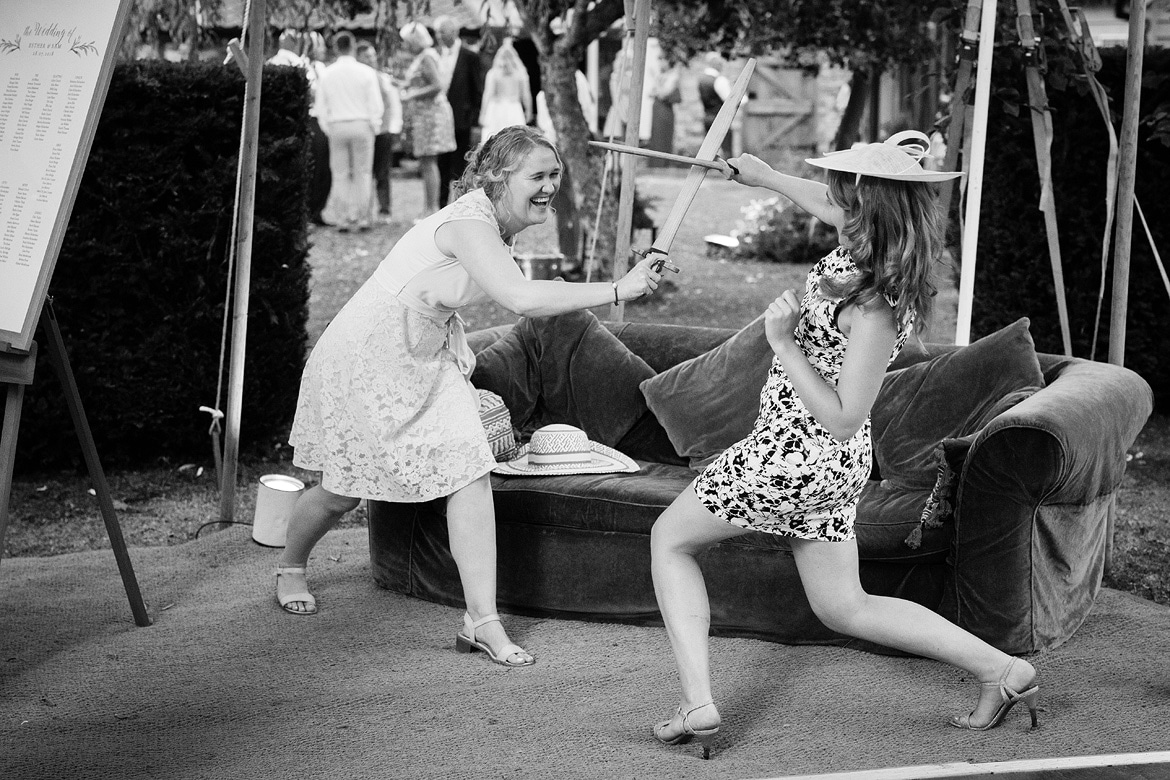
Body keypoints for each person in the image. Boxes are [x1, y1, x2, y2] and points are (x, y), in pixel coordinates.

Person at [648, 131, 1040, 758]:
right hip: (821, 465)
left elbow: (844, 415)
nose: (830, 190)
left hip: (798, 452)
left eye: (843, 180)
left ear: (867, 199)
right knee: (845, 607)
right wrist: (762, 176)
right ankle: (1003, 670)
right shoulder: (864, 244)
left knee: (670, 539)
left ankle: (697, 701)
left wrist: (781, 344)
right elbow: (827, 204)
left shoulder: (876, 304)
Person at [275, 125, 666, 668]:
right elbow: (520, 297)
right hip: (368, 356)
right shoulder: (468, 222)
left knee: (469, 469)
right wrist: (619, 288)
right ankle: (291, 565)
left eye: (554, 175)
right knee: (345, 489)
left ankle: (480, 621)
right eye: (537, 176)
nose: (550, 186)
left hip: (426, 356)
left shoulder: (495, 225)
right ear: (497, 178)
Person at [315, 31, 383, 232]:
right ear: (352, 46)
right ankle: (362, 218)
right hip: (362, 124)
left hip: (337, 125)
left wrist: (327, 127)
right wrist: (374, 124)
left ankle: (343, 218)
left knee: (340, 174)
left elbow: (321, 106)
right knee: (363, 173)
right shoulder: (366, 72)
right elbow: (375, 104)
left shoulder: (327, 73)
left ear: (336, 48)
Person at [398, 21, 457, 220]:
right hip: (423, 114)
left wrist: (410, 95)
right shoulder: (423, 57)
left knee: (429, 160)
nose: (404, 46)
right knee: (426, 161)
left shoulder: (427, 56)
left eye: (406, 42)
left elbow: (437, 85)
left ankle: (432, 209)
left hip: (431, 115)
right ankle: (429, 208)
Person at [433, 15, 484, 209]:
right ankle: (439, 206)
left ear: (454, 32)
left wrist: (472, 117)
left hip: (460, 119)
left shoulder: (470, 56)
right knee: (441, 164)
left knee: (459, 165)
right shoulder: (435, 54)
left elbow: (477, 88)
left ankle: (460, 205)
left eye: (442, 32)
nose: (438, 36)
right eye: (437, 32)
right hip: (439, 118)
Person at [356, 40, 402, 222]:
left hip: (382, 131)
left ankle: (384, 209)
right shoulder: (358, 78)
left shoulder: (383, 78)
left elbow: (392, 104)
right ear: (358, 57)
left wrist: (394, 128)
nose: (372, 59)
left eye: (373, 56)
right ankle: (363, 210)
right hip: (364, 130)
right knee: (363, 172)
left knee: (382, 172)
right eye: (367, 56)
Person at [478, 38, 532, 142]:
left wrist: (483, 114)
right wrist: (528, 111)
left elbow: (488, 94)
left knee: (494, 140)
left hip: (497, 110)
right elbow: (526, 95)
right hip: (513, 109)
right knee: (515, 142)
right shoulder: (520, 73)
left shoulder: (494, 73)